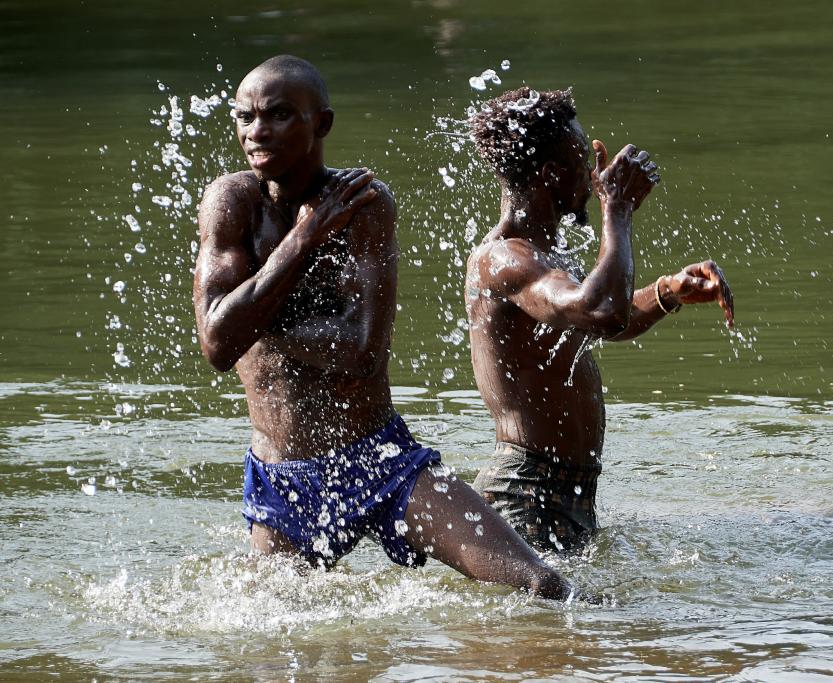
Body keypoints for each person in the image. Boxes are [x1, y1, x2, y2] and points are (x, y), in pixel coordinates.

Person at [192, 56, 573, 599]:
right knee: (274, 648)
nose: (257, 132)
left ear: (320, 123)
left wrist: (254, 317)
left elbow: (360, 353)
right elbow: (216, 345)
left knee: (541, 585)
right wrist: (302, 241)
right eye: (244, 116)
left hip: (379, 458)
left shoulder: (363, 205)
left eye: (277, 115)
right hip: (282, 477)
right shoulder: (231, 203)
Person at [466, 87, 734, 552]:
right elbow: (603, 312)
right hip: (525, 496)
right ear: (551, 175)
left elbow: (603, 319)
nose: (595, 178)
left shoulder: (542, 255)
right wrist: (618, 211)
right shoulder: (504, 258)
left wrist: (668, 291)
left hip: (561, 492)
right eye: (581, 165)